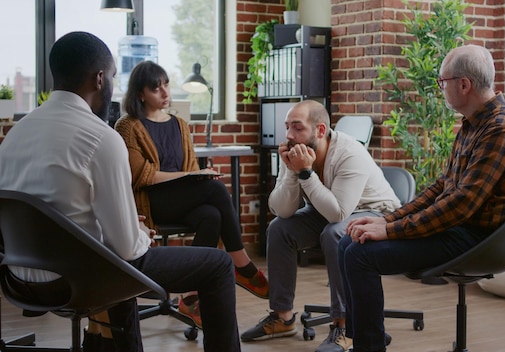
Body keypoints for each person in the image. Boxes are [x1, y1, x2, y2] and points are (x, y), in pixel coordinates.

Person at [0, 31, 240, 352]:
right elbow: (128, 249)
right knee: (218, 265)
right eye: (113, 76)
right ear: (100, 78)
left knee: (109, 255)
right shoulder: (101, 137)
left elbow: (56, 212)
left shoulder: (16, 134)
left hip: (18, 279)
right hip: (78, 281)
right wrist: (140, 231)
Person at [338, 44, 505, 352]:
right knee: (348, 243)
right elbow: (443, 187)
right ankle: (366, 341)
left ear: (463, 84)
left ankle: (369, 347)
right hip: (462, 227)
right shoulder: (474, 122)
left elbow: (461, 205)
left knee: (359, 254)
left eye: (442, 81)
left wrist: (390, 230)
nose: (440, 87)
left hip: (479, 238)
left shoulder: (500, 129)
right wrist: (388, 219)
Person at [114, 61, 268, 325]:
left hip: (181, 198)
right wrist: (189, 177)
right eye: (155, 88)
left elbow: (191, 168)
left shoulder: (180, 125)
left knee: (211, 215)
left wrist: (195, 176)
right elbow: (141, 176)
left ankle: (190, 296)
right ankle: (241, 263)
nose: (164, 93)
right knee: (217, 189)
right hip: (151, 202)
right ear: (140, 94)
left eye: (166, 85)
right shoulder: (127, 126)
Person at [240, 100, 401, 352]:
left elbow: (338, 214)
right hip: (328, 210)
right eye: (287, 128)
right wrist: (294, 172)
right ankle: (282, 317)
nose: (289, 136)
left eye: (298, 128)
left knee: (335, 233)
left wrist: (305, 173)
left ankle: (346, 326)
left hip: (374, 212)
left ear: (321, 130)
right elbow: (281, 209)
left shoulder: (349, 153)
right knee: (279, 229)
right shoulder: (296, 152)